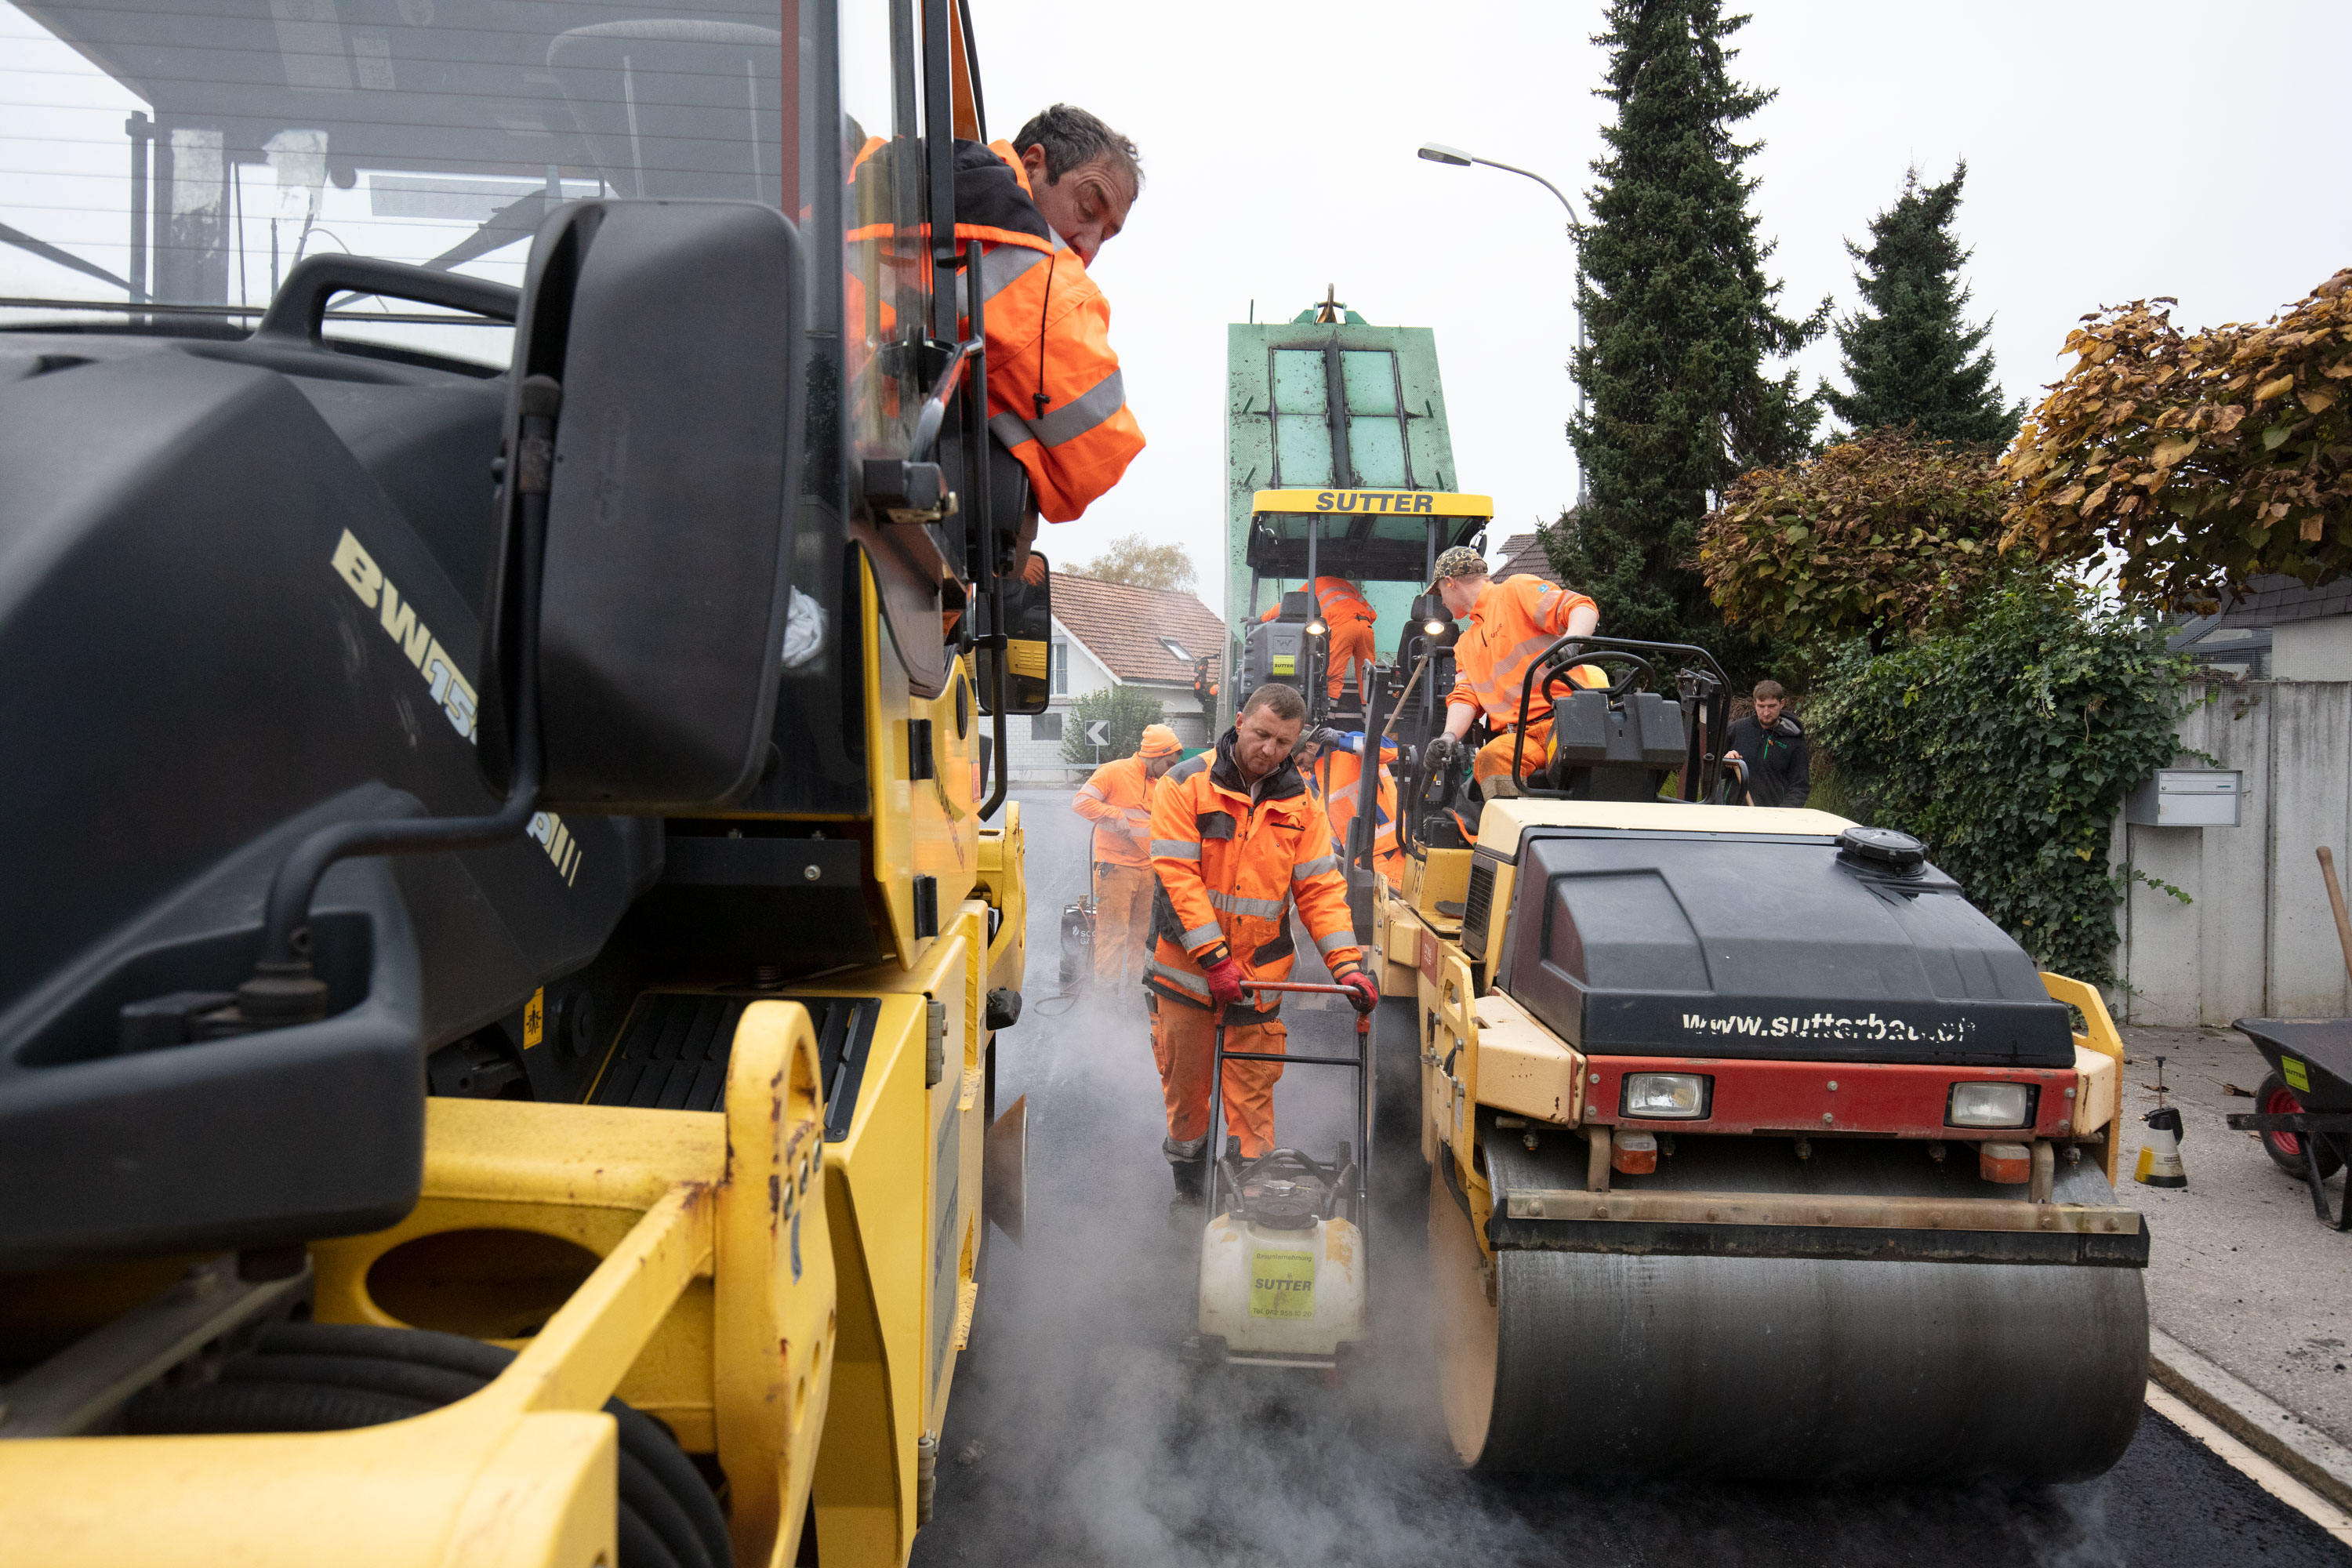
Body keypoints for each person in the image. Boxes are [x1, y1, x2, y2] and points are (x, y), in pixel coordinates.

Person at [849, 103, 1145, 526]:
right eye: (1086, 209)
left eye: (1107, 236)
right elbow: (1101, 455)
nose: (1088, 246)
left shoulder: (866, 174)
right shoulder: (1013, 241)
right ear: (1032, 164)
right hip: (861, 501)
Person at [1145, 685, 1378, 1195]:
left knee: (1252, 1101)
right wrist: (1216, 963)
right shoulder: (1186, 785)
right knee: (1187, 1102)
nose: (1270, 750)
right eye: (1262, 734)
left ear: (1296, 744)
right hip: (1186, 979)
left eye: (1283, 742)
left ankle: (1247, 1202)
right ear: (1239, 721)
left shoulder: (1303, 803)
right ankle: (1189, 1191)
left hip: (1257, 982)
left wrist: (1347, 966)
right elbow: (1178, 883)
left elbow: (1320, 890)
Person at [1421, 547, 1603, 798]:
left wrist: (1570, 641)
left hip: (1569, 723)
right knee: (1490, 758)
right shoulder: (1465, 645)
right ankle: (1518, 833)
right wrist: (1449, 737)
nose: (1441, 602)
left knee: (1580, 769)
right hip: (1519, 740)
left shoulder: (1515, 591)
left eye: (1439, 592)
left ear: (1450, 583)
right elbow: (1464, 698)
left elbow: (1582, 607)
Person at [1071, 724, 1181, 985]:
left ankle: (1135, 996)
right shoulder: (1113, 772)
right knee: (1113, 936)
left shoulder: (1160, 782)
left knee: (1141, 937)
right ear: (1156, 754)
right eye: (1168, 763)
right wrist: (1113, 814)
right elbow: (1080, 801)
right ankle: (1105, 1003)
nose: (1170, 770)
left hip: (1148, 870)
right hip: (1115, 869)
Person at [1259, 576, 1377, 704]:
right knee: (1367, 673)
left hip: (1343, 627)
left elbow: (1291, 603)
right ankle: (1368, 717)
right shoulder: (1346, 585)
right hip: (1366, 627)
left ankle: (1330, 715)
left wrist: (1262, 619)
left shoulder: (1316, 583)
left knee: (1334, 674)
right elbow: (1372, 613)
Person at [1315, 731, 1406, 891]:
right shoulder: (1320, 777)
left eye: (1301, 761)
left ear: (1309, 747)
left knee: (1392, 907)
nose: (1302, 768)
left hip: (1390, 850)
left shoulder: (1351, 746)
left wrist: (1343, 741)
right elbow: (1334, 824)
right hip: (1360, 857)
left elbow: (1391, 750)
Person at [1723, 680, 1811, 808]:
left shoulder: (1794, 739)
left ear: (1782, 704)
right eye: (1761, 706)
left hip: (1773, 817)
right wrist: (1726, 763)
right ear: (1755, 704)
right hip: (1735, 812)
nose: (1766, 712)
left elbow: (1800, 786)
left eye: (1771, 706)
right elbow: (1714, 773)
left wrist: (1782, 814)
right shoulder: (1736, 730)